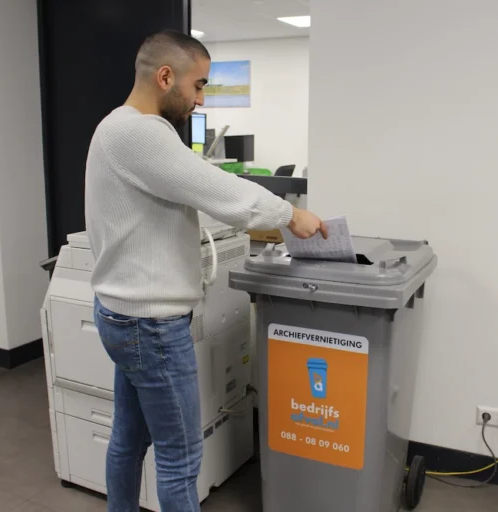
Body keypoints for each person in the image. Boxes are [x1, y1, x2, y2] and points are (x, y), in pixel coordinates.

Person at [84, 30, 327, 512]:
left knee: (129, 441)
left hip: (124, 314)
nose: (199, 99)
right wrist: (289, 214)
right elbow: (218, 187)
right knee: (181, 457)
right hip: (150, 325)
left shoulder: (114, 126)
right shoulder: (141, 132)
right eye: (198, 86)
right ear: (165, 76)